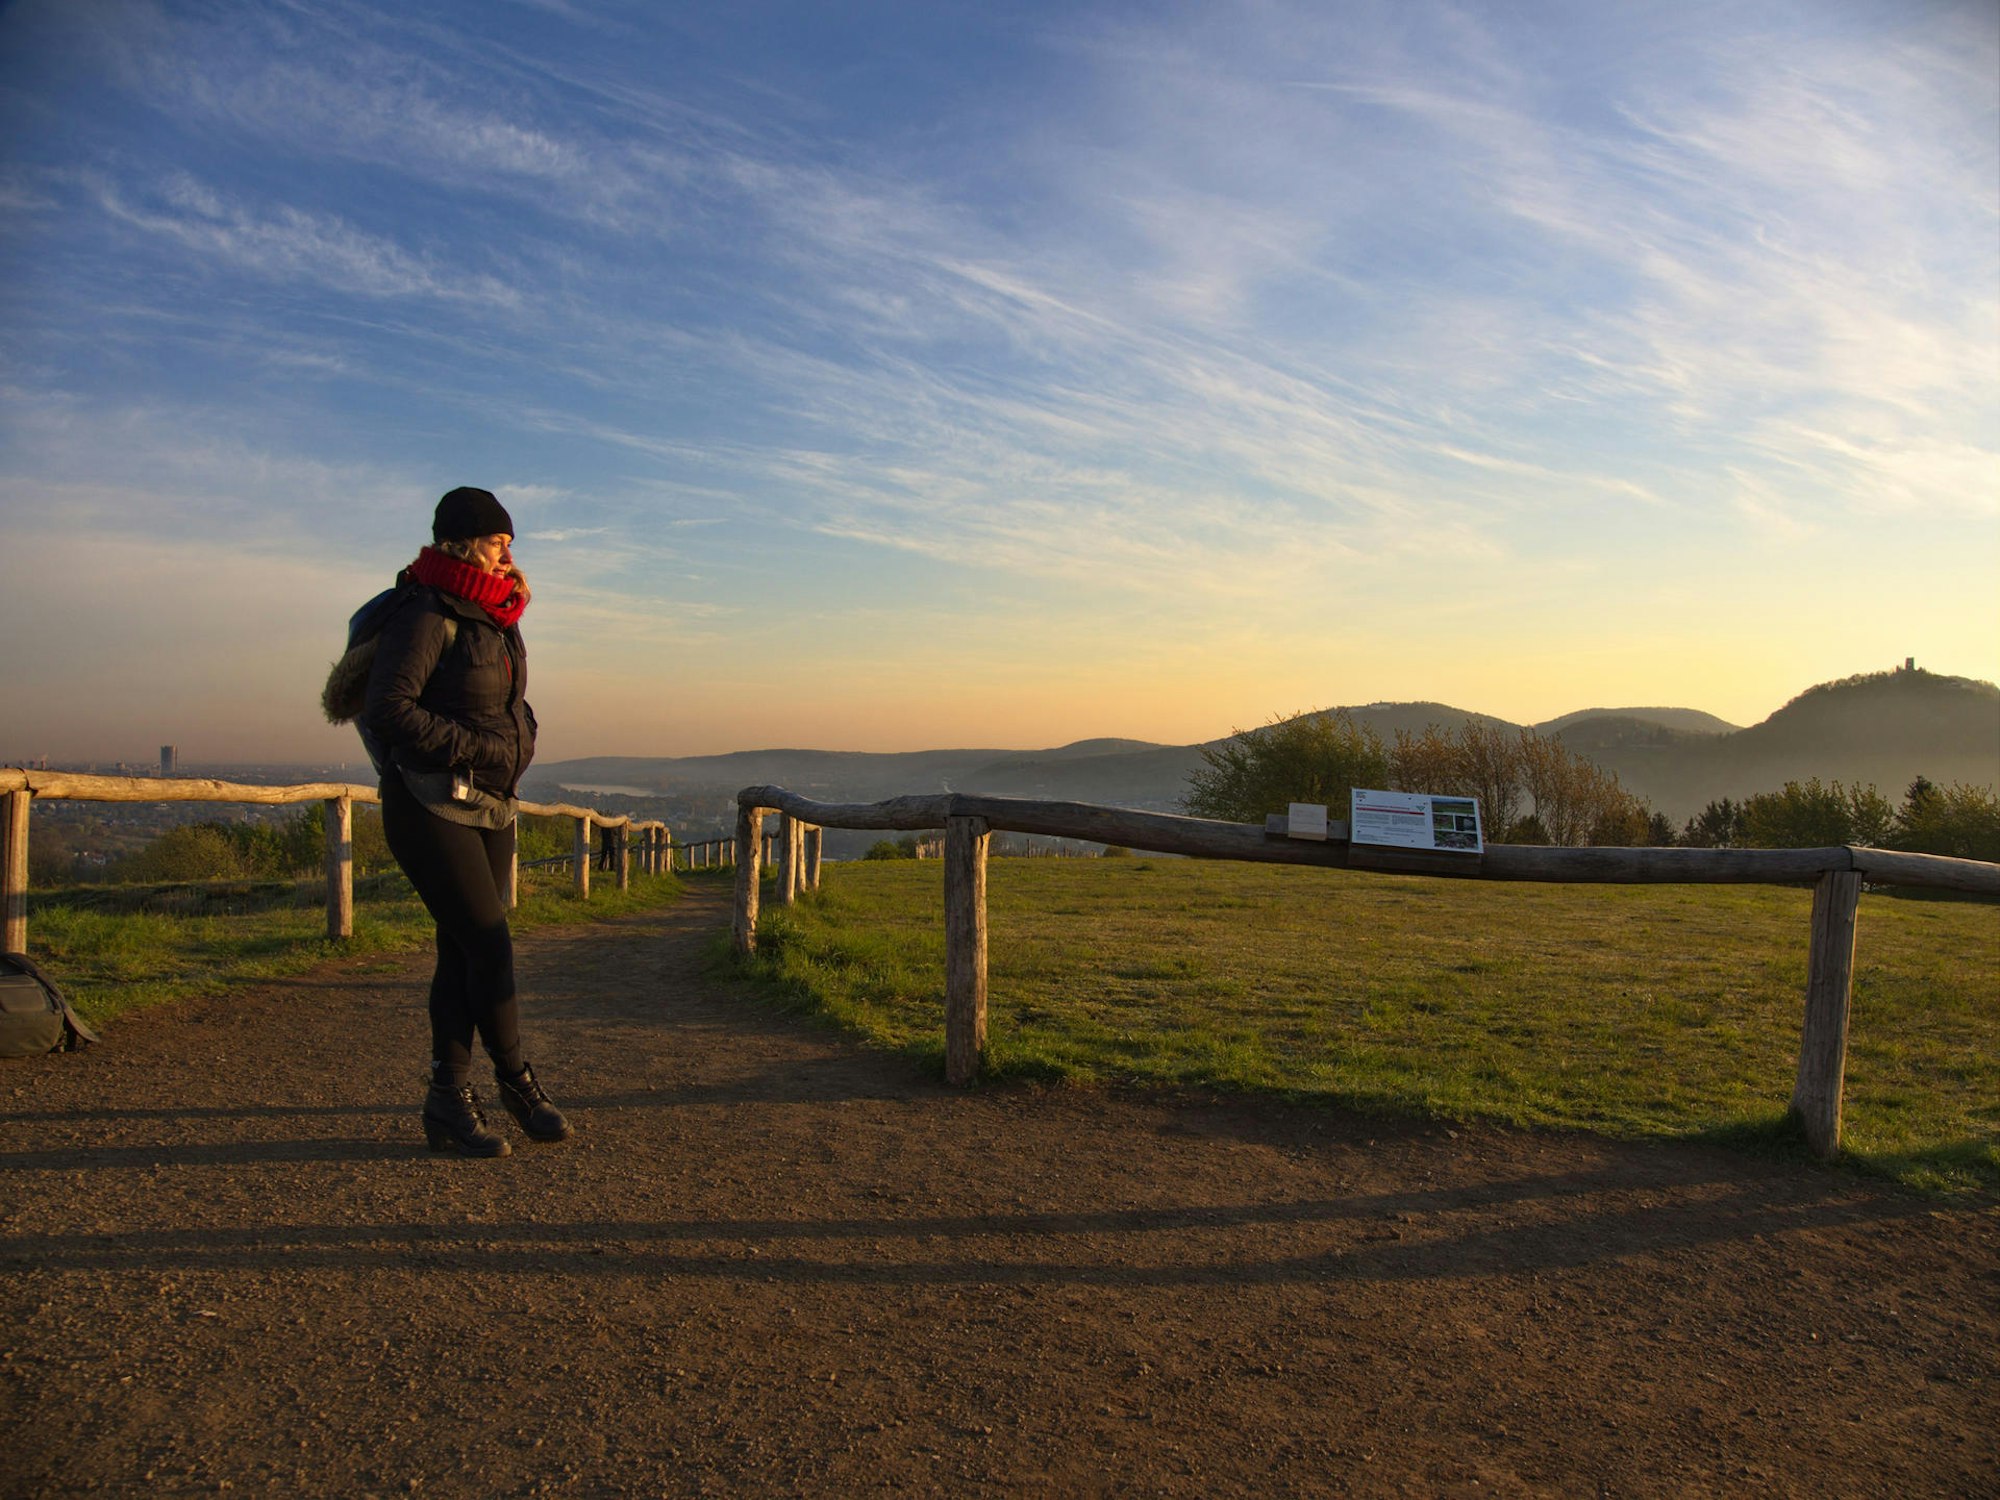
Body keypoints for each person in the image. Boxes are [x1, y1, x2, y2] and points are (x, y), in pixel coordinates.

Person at [363, 486, 571, 1158]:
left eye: (509, 541)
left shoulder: (497, 613)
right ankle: (516, 1082)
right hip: (429, 799)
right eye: (496, 538)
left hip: (489, 802)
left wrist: (522, 738)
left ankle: (447, 1102)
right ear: (459, 539)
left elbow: (511, 702)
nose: (507, 550)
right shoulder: (425, 609)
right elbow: (392, 710)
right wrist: (480, 749)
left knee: (460, 950)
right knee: (489, 943)